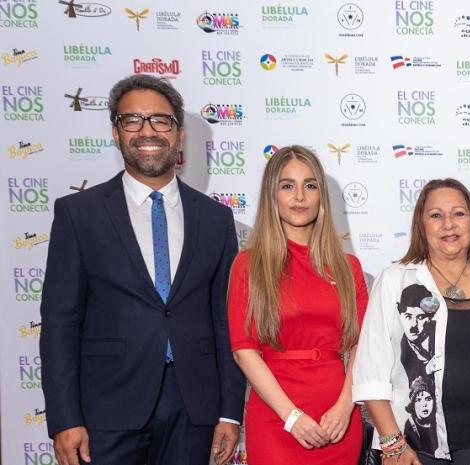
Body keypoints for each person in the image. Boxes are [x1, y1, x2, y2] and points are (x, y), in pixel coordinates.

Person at [39, 74, 245, 465]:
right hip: (106, 410)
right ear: (116, 133)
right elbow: (59, 323)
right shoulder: (78, 215)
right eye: (133, 120)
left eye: (161, 121)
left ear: (179, 135)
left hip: (195, 409)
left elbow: (226, 321)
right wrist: (64, 419)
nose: (147, 131)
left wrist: (230, 411)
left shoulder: (216, 219)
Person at [353, 178, 470, 465]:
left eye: (458, 213)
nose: (448, 224)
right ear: (421, 225)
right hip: (413, 449)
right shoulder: (395, 282)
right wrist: (393, 445)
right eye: (436, 215)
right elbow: (370, 373)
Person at [227, 145, 368, 464]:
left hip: (339, 421)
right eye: (287, 185)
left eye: (310, 185)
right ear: (272, 196)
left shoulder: (348, 267)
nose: (300, 196)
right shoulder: (249, 265)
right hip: (277, 420)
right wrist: (291, 417)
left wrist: (346, 406)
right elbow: (243, 350)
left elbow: (363, 345)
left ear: (322, 196)